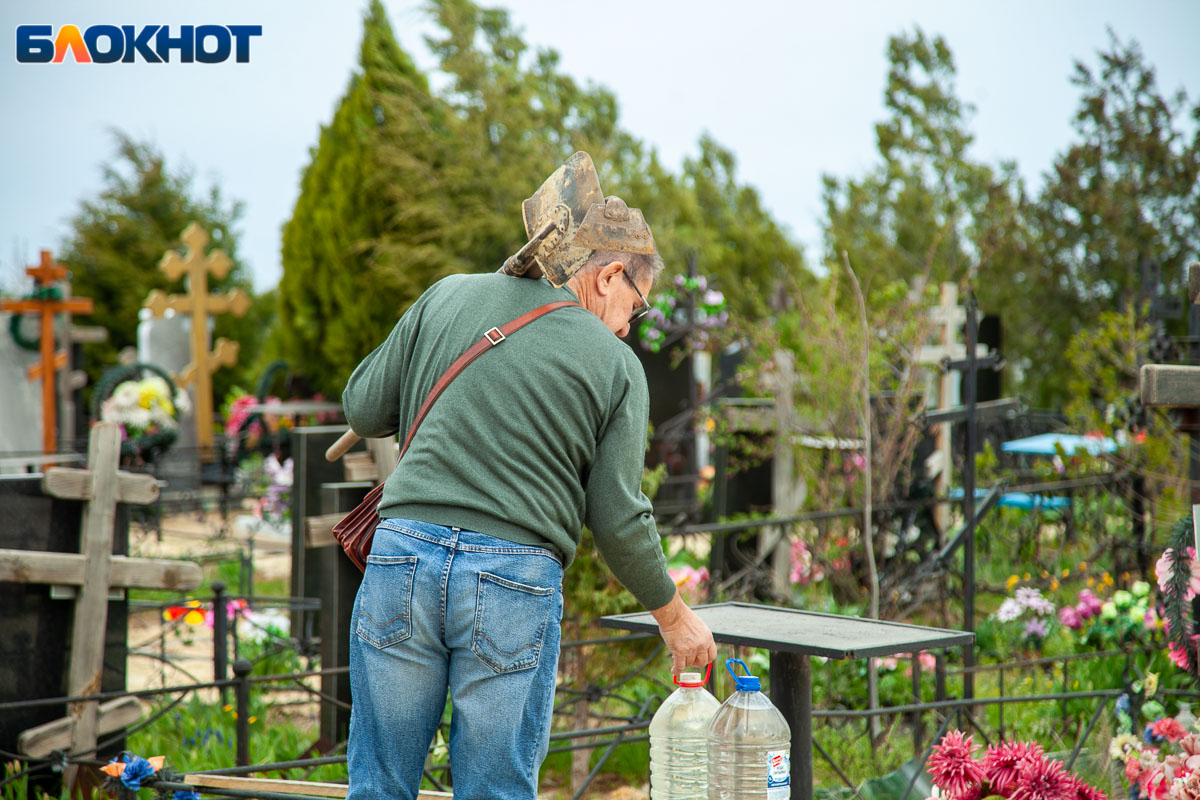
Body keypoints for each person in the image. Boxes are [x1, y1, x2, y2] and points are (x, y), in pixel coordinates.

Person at [341, 192, 717, 800]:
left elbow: (362, 405)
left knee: (379, 784)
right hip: (511, 576)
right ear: (609, 276)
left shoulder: (448, 292)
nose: (628, 326)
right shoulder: (616, 366)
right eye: (634, 307)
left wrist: (455, 310)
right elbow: (619, 518)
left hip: (402, 556)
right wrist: (675, 618)